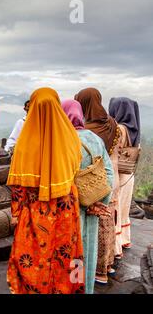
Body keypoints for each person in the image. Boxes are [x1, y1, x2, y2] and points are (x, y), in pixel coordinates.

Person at [7, 88, 84, 294]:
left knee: (33, 258)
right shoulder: (72, 138)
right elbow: (75, 170)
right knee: (66, 255)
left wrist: (16, 213)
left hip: (35, 211)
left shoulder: (24, 143)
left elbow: (18, 188)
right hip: (66, 209)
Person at [62, 99, 114, 294]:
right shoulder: (94, 138)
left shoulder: (62, 140)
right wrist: (99, 203)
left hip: (71, 210)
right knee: (88, 251)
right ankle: (86, 289)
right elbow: (109, 174)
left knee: (73, 253)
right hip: (92, 206)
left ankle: (73, 287)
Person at [76, 87, 120, 284]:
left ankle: (75, 281)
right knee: (100, 231)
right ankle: (103, 268)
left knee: (76, 246)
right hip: (103, 185)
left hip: (79, 195)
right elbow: (108, 168)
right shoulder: (112, 125)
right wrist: (103, 199)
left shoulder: (79, 134)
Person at [109, 97, 141, 253]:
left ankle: (115, 247)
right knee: (124, 207)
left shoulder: (118, 128)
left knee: (116, 207)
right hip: (129, 174)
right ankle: (124, 240)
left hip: (118, 173)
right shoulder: (135, 128)